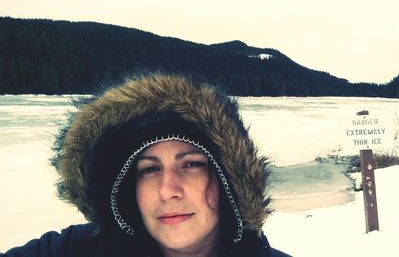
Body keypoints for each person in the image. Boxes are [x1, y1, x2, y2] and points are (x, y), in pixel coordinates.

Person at [2, 73, 290, 257]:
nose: (168, 190)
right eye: (149, 169)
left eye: (190, 164)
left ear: (228, 179)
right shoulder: (75, 251)